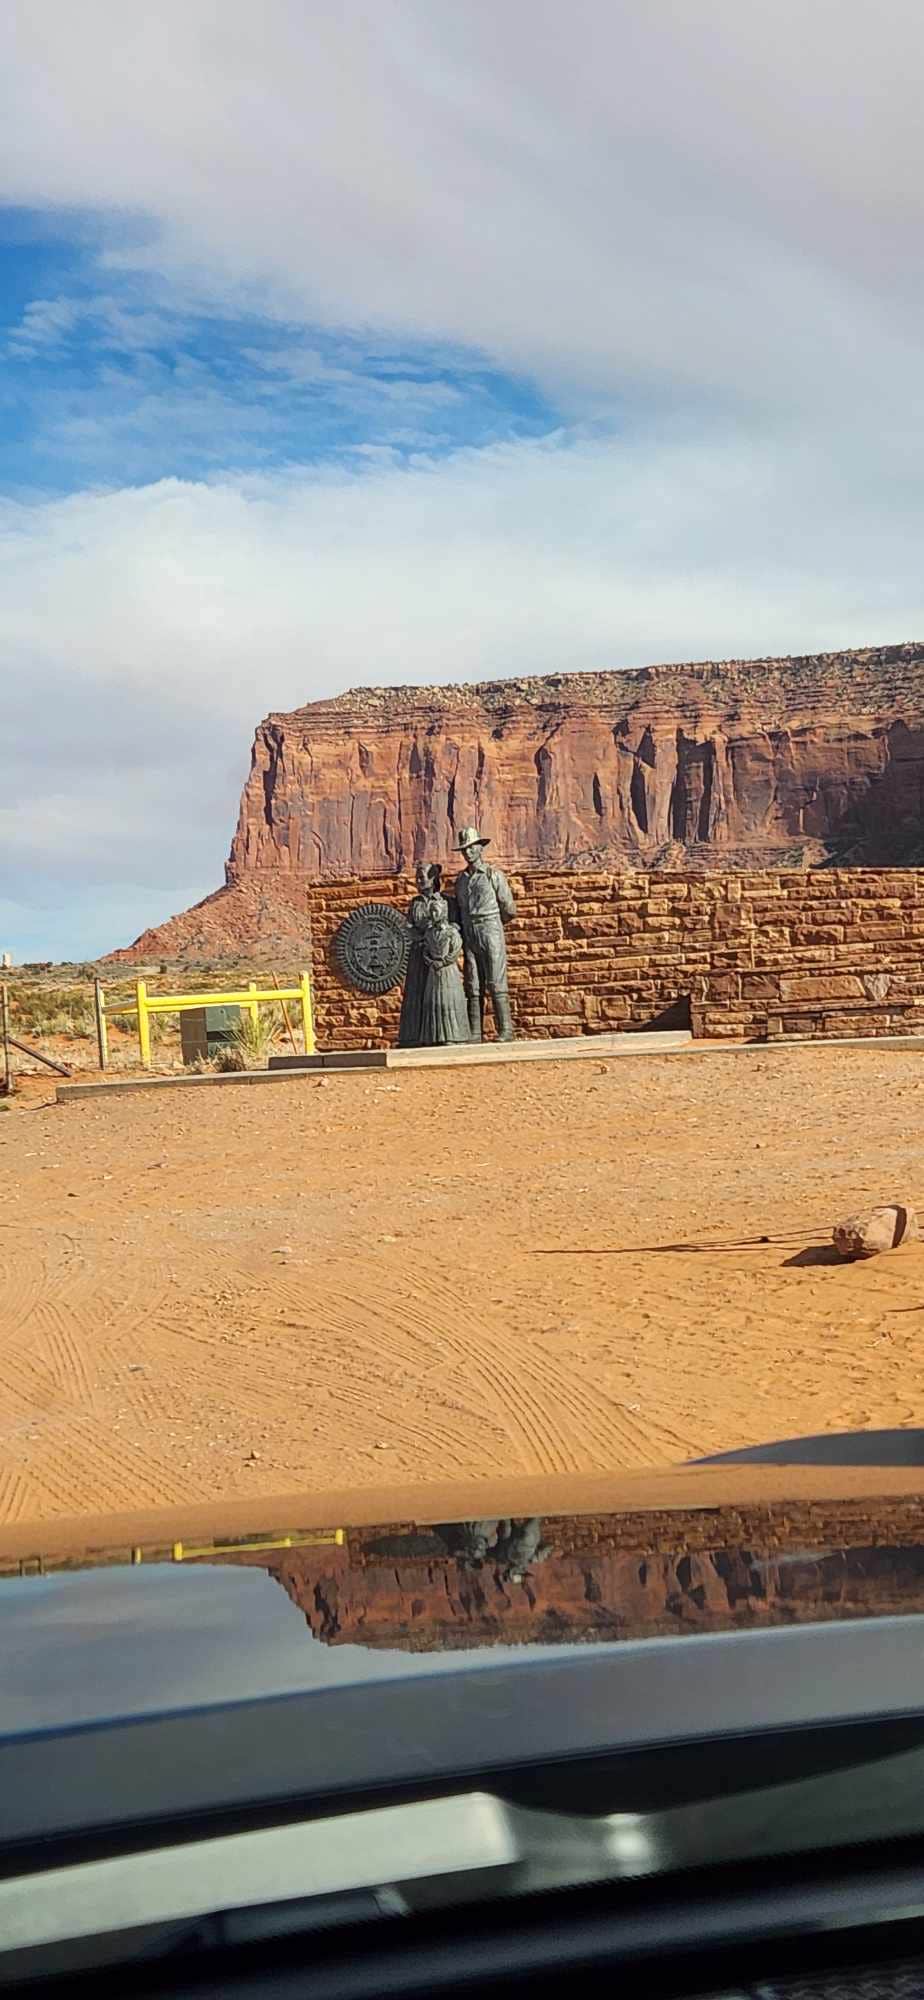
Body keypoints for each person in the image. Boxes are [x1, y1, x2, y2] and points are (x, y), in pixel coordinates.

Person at [454, 825, 516, 1042]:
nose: (468, 852)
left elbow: (509, 908)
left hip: (490, 928)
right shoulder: (461, 880)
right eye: (465, 849)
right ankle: (475, 1032)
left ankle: (505, 1030)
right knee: (473, 982)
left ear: (481, 848)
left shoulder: (493, 875)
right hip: (469, 932)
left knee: (496, 979)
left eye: (472, 847)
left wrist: (493, 924)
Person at [396, 863, 446, 1048]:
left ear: (433, 878)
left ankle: (437, 1034)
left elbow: (454, 926)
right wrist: (420, 936)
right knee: (416, 992)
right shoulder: (415, 903)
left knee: (436, 993)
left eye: (421, 877)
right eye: (416, 878)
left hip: (437, 954)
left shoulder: (445, 902)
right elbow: (408, 926)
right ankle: (414, 1035)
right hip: (418, 952)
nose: (418, 881)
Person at [419, 910, 470, 1047]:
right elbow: (425, 950)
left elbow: (455, 950)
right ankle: (433, 1035)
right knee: (433, 1001)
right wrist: (431, 961)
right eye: (431, 911)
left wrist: (443, 962)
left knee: (449, 1001)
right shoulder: (429, 933)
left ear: (443, 912)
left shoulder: (452, 933)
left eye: (436, 911)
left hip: (448, 971)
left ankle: (454, 1035)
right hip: (433, 971)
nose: (433, 914)